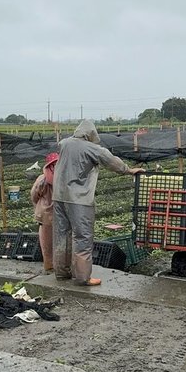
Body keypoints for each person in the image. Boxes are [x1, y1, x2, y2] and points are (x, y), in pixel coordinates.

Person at [52, 120, 144, 286]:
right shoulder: (91, 148)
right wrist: (128, 170)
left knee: (62, 234)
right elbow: (110, 160)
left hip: (58, 196)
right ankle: (82, 278)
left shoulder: (64, 143)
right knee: (82, 237)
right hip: (78, 199)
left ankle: (61, 272)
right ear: (90, 135)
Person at [31, 152, 59, 274]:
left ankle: (49, 264)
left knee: (46, 241)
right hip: (59, 213)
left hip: (44, 214)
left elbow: (34, 195)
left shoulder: (42, 179)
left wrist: (38, 205)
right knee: (59, 239)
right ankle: (60, 265)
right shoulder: (64, 177)